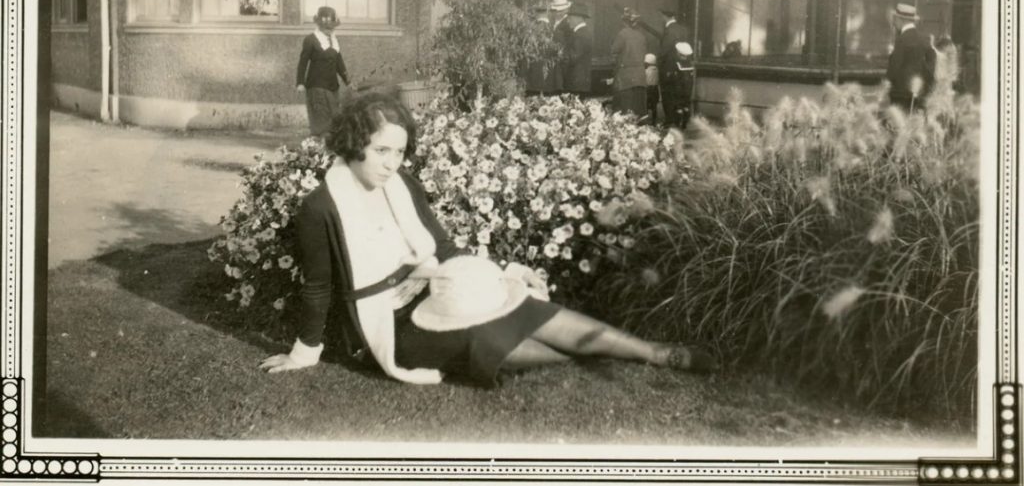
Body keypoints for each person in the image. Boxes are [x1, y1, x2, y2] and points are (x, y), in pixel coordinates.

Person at [260, 92, 715, 386]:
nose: (392, 164)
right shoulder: (321, 207)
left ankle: (655, 353)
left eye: (399, 152)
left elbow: (442, 248)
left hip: (434, 288)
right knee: (490, 343)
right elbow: (318, 287)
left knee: (527, 309)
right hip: (388, 321)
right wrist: (305, 352)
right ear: (352, 144)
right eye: (381, 151)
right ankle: (573, 359)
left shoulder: (403, 184)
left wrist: (495, 277)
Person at [296, 6, 351, 135]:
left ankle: (329, 149)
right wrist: (300, 82)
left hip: (333, 87)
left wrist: (348, 81)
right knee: (320, 120)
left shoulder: (334, 41)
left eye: (331, 27)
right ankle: (319, 149)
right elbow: (303, 62)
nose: (329, 29)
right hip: (317, 87)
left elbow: (339, 63)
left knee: (333, 119)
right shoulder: (311, 40)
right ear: (319, 25)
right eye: (326, 27)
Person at [885, 3, 936, 112]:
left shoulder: (902, 40)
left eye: (895, 19)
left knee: (899, 126)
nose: (894, 23)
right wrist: (927, 81)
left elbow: (893, 70)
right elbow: (932, 57)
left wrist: (890, 57)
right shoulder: (923, 39)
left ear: (901, 20)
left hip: (900, 94)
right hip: (918, 92)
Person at [609, 7, 649, 118]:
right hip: (640, 78)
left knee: (625, 113)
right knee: (639, 113)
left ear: (624, 21)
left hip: (626, 79)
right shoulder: (642, 36)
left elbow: (614, 51)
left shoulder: (622, 34)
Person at [661, 42, 697, 130]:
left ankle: (676, 123)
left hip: (677, 89)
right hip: (687, 90)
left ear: (679, 53)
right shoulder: (689, 65)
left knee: (677, 106)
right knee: (685, 105)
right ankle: (684, 123)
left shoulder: (676, 64)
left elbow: (671, 78)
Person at [562, 1, 594, 96]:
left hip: (576, 83)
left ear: (578, 18)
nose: (568, 21)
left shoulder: (580, 35)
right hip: (578, 82)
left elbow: (572, 57)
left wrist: (559, 56)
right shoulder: (582, 33)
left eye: (570, 18)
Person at [643, 53, 660, 126]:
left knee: (646, 105)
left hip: (648, 89)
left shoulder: (646, 71)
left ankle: (646, 120)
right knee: (654, 106)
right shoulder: (657, 70)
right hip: (655, 89)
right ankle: (654, 121)